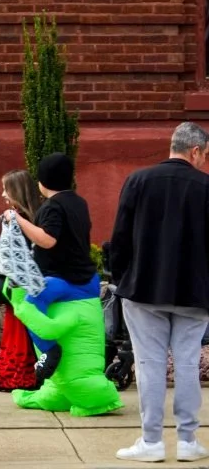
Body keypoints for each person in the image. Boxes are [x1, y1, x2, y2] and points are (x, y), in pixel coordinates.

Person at [110, 122, 209, 463]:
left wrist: (122, 276)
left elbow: (120, 237)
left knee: (150, 365)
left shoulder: (138, 180)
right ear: (194, 151)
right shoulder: (206, 186)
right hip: (194, 292)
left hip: (142, 288)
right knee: (187, 363)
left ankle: (151, 441)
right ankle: (187, 440)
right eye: (205, 155)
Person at [3, 153, 99, 383]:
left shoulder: (53, 206)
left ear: (43, 182)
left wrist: (17, 220)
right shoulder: (79, 202)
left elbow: (48, 240)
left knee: (27, 307)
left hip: (61, 279)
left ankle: (49, 350)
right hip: (86, 276)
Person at [0, 170, 40, 393]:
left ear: (17, 191)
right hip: (19, 283)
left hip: (19, 286)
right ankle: (13, 376)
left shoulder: (19, 218)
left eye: (6, 189)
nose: (3, 193)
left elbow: (23, 253)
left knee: (19, 332)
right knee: (16, 331)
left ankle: (19, 378)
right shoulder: (22, 216)